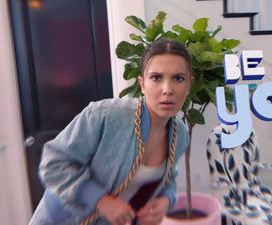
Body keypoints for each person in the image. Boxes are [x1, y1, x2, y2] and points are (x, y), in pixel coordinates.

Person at [28, 39, 194, 225]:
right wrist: (101, 201)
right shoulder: (105, 116)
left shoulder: (181, 134)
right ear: (142, 83)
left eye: (178, 78)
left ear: (189, 84)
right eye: (156, 78)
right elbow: (53, 163)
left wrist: (167, 199)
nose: (167, 89)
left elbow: (169, 177)